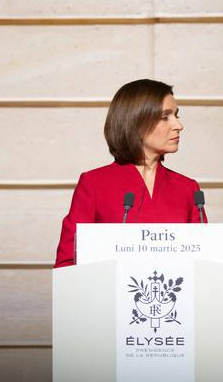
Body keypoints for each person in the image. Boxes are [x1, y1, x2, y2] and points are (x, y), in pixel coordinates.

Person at [54, 79, 202, 268]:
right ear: (136, 122)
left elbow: (201, 262)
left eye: (176, 115)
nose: (178, 125)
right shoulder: (94, 184)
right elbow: (68, 263)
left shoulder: (188, 188)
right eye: (165, 117)